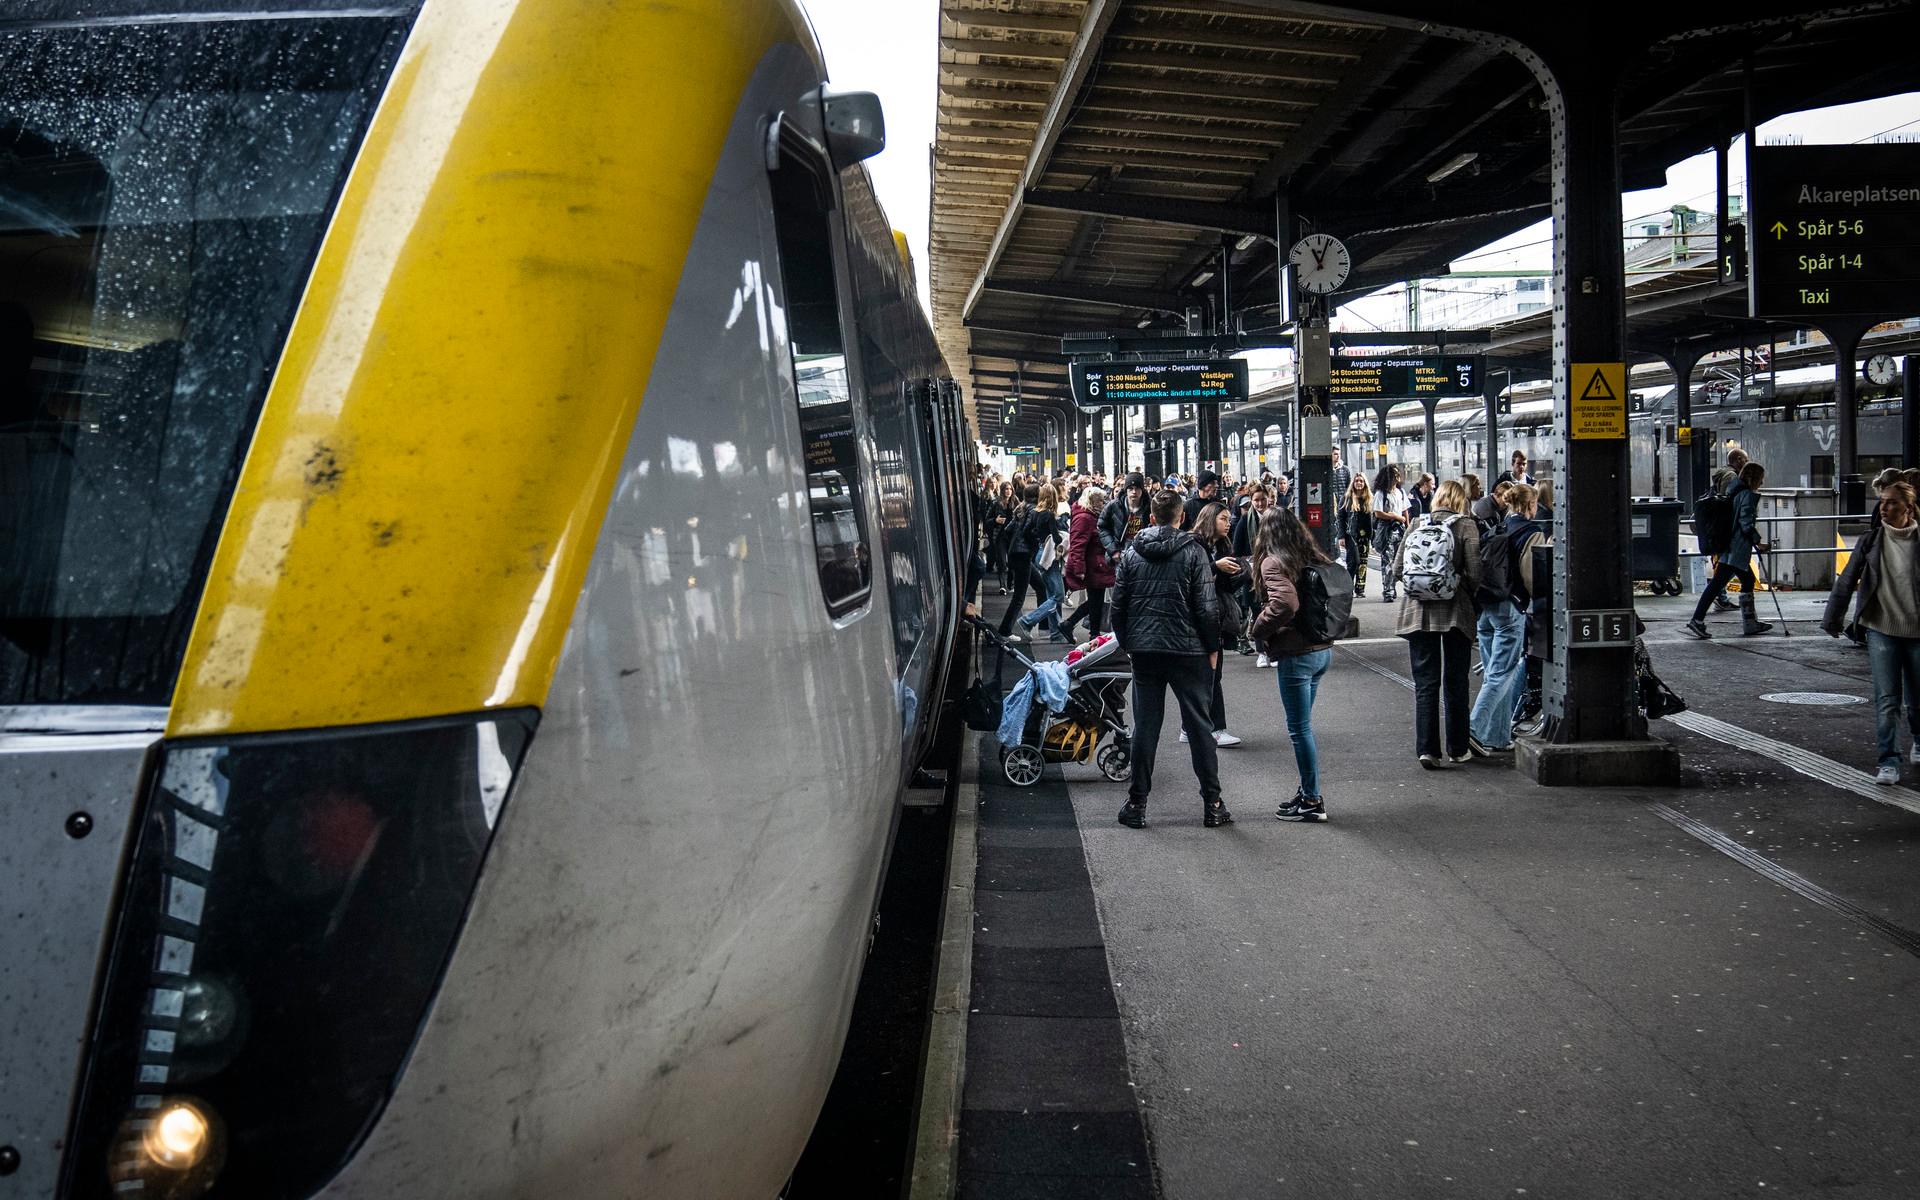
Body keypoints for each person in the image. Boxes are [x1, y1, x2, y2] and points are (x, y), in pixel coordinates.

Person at [1109, 489, 1230, 829]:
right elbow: (1207, 609)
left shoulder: (1132, 553)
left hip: (1146, 652)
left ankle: (1137, 804)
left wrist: (1128, 643)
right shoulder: (1195, 552)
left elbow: (1118, 607)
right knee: (1199, 726)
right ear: (1182, 518)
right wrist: (1212, 649)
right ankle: (1213, 804)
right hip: (1189, 651)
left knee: (1146, 726)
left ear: (1150, 517)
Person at [1824, 481, 1920, 784]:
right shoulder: (1871, 541)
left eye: (1892, 503)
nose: (1884, 508)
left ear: (1908, 507)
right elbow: (1847, 579)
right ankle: (1888, 761)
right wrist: (1833, 619)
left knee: (1917, 700)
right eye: (1881, 502)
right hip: (1881, 628)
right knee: (1887, 698)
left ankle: (1919, 738)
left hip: (1917, 631)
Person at [1249, 505, 1336, 822]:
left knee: (1300, 731)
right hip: (1322, 650)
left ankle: (1312, 800)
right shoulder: (1309, 556)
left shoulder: (1274, 562)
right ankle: (1306, 792)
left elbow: (1285, 603)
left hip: (1297, 655)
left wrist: (1258, 629)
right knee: (1304, 729)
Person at [1387, 478, 1481, 767]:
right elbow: (1476, 572)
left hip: (1418, 613)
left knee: (1426, 684)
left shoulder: (1416, 523)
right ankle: (1458, 748)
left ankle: (1427, 750)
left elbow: (1397, 568)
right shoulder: (1466, 526)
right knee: (1456, 683)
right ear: (1461, 500)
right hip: (1455, 613)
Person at [1467, 483, 1545, 754]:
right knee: (1502, 675)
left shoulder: (1499, 526)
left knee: (1494, 673)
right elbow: (1531, 577)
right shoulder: (1530, 532)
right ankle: (1473, 729)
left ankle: (1497, 736)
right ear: (1529, 505)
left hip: (1486, 608)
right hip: (1509, 609)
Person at [1687, 461, 1773, 639]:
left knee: (1745, 580)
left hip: (1728, 546)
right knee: (1718, 584)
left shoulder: (1733, 491)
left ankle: (1750, 622)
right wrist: (1759, 543)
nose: (1762, 483)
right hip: (1737, 549)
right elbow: (1746, 523)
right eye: (1761, 479)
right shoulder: (1747, 495)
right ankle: (1698, 620)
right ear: (1754, 478)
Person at [1187, 501, 1247, 748]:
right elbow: (1191, 577)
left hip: (1215, 616)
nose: (1228, 522)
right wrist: (1215, 566)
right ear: (1210, 519)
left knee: (1209, 672)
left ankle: (1188, 727)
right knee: (1212, 672)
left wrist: (1240, 573)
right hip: (1200, 618)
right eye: (1223, 518)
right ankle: (1216, 728)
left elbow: (1223, 585)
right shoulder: (1194, 544)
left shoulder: (1222, 544)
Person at [1060, 485, 1114, 640]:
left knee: (1095, 600)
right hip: (1092, 565)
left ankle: (1073, 626)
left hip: (1095, 564)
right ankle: (1092, 634)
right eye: (1100, 500)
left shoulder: (1089, 515)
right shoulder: (1085, 518)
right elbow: (1077, 545)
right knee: (1095, 601)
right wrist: (1079, 569)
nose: (1104, 503)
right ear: (1092, 501)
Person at [1017, 484, 1070, 641]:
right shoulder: (1049, 515)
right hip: (1050, 556)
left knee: (1052, 594)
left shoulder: (1035, 513)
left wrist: (1039, 538)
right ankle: (1028, 621)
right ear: (1053, 497)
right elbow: (1057, 538)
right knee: (1058, 595)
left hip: (1039, 553)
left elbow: (1026, 532)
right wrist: (1062, 532)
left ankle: (1055, 633)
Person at [996, 485, 1040, 638]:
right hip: (1024, 555)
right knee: (1020, 596)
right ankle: (1005, 631)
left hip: (1016, 554)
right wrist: (1035, 542)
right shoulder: (1034, 510)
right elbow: (1029, 532)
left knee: (1041, 586)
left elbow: (1008, 530)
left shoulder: (1021, 508)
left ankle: (1043, 624)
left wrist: (1015, 543)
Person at [1372, 464, 1411, 602]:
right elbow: (1378, 513)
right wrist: (1395, 516)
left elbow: (1405, 510)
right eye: (1394, 474)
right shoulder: (1380, 494)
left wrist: (1407, 526)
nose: (1397, 477)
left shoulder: (1401, 493)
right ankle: (1388, 591)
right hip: (1387, 530)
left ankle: (1392, 587)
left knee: (1399, 561)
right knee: (1387, 561)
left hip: (1399, 529)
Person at [1100, 472, 1151, 562]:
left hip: (1144, 556)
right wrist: (1113, 550)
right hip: (1121, 554)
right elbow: (1102, 527)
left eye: (1137, 488)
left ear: (1142, 490)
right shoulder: (1114, 506)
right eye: (1130, 488)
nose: (1134, 492)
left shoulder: (1150, 506)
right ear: (1126, 490)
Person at [1342, 473, 1374, 600]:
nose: (1359, 483)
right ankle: (1348, 588)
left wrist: (1372, 536)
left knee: (1363, 563)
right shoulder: (1347, 498)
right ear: (1353, 483)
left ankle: (1360, 589)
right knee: (1353, 561)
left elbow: (1372, 519)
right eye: (1356, 481)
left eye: (1361, 481)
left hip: (1365, 535)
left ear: (1365, 483)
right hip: (1352, 535)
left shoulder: (1369, 499)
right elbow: (1340, 517)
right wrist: (1341, 536)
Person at [1328, 448, 1352, 525]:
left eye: (1339, 454)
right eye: (1335, 454)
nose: (1338, 456)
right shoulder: (1327, 470)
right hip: (1331, 502)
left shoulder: (1345, 470)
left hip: (1343, 501)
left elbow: (1349, 486)